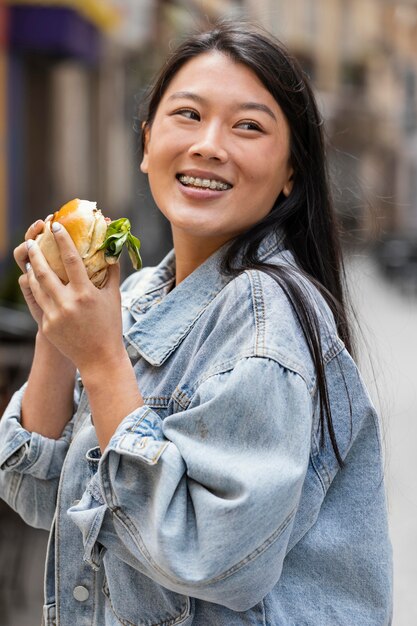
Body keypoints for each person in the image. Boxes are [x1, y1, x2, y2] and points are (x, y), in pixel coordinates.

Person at [0, 20, 392, 626]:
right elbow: (37, 495)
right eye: (187, 114)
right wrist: (60, 330)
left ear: (291, 172)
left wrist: (102, 362)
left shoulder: (267, 325)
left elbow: (212, 557)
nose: (210, 144)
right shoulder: (137, 296)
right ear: (146, 141)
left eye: (249, 126)